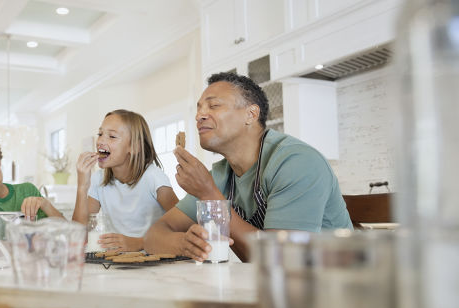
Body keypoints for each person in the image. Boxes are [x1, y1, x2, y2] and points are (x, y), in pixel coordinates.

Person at [144, 72, 352, 262]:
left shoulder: (297, 162)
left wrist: (209, 194)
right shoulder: (220, 174)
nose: (200, 115)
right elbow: (155, 235)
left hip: (335, 290)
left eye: (213, 105)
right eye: (198, 108)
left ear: (251, 115)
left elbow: (281, 260)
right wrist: (185, 244)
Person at [72, 109, 179, 251]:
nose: (101, 141)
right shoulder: (99, 179)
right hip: (116, 262)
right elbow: (79, 236)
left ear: (134, 147)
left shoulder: (154, 178)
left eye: (112, 136)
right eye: (100, 134)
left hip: (153, 259)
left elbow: (182, 227)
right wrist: (82, 187)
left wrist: (140, 243)